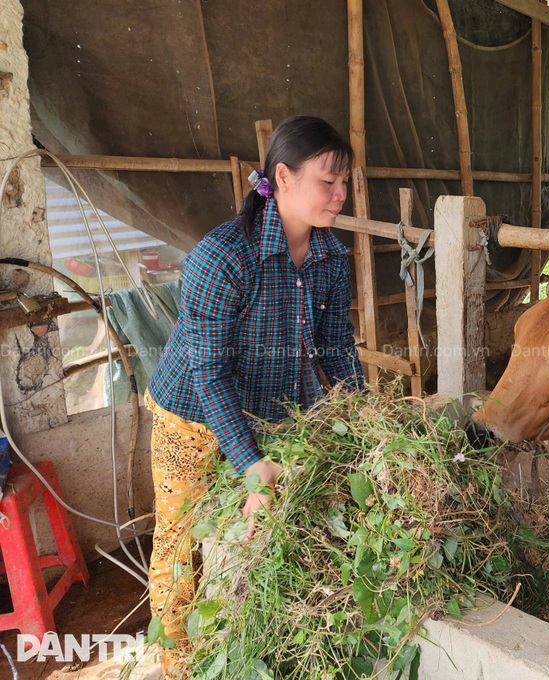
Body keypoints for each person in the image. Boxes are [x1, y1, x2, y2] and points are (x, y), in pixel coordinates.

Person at [144, 115, 365, 678]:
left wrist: (364, 420)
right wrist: (250, 463)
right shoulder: (223, 257)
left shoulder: (331, 260)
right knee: (180, 542)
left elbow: (337, 350)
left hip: (265, 412)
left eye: (346, 183)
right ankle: (179, 665)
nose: (340, 195)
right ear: (284, 178)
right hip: (189, 415)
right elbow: (206, 372)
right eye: (328, 181)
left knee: (267, 529)